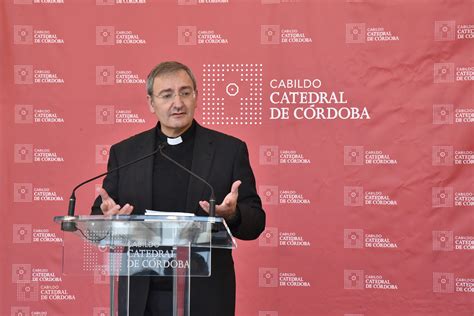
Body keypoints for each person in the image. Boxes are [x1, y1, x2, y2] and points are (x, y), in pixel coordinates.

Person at [91, 61, 266, 315]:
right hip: (141, 297)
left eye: (185, 92)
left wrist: (233, 214)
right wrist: (107, 220)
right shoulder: (126, 153)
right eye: (167, 95)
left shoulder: (229, 151)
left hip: (206, 295)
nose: (178, 103)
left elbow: (256, 223)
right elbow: (96, 223)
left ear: (196, 96)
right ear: (151, 103)